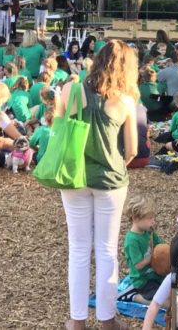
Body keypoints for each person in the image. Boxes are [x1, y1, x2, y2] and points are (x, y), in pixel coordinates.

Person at [58, 39, 137, 330]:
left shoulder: (71, 89)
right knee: (106, 250)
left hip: (74, 176)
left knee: (78, 249)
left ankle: (77, 321)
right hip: (110, 179)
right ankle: (107, 320)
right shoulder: (126, 100)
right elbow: (131, 150)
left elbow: (58, 127)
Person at [123, 194, 164, 304]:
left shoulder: (149, 232)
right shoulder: (132, 240)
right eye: (150, 218)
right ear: (136, 218)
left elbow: (160, 245)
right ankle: (133, 296)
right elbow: (138, 265)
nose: (153, 221)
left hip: (154, 274)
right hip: (143, 280)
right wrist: (152, 257)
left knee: (171, 287)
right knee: (162, 302)